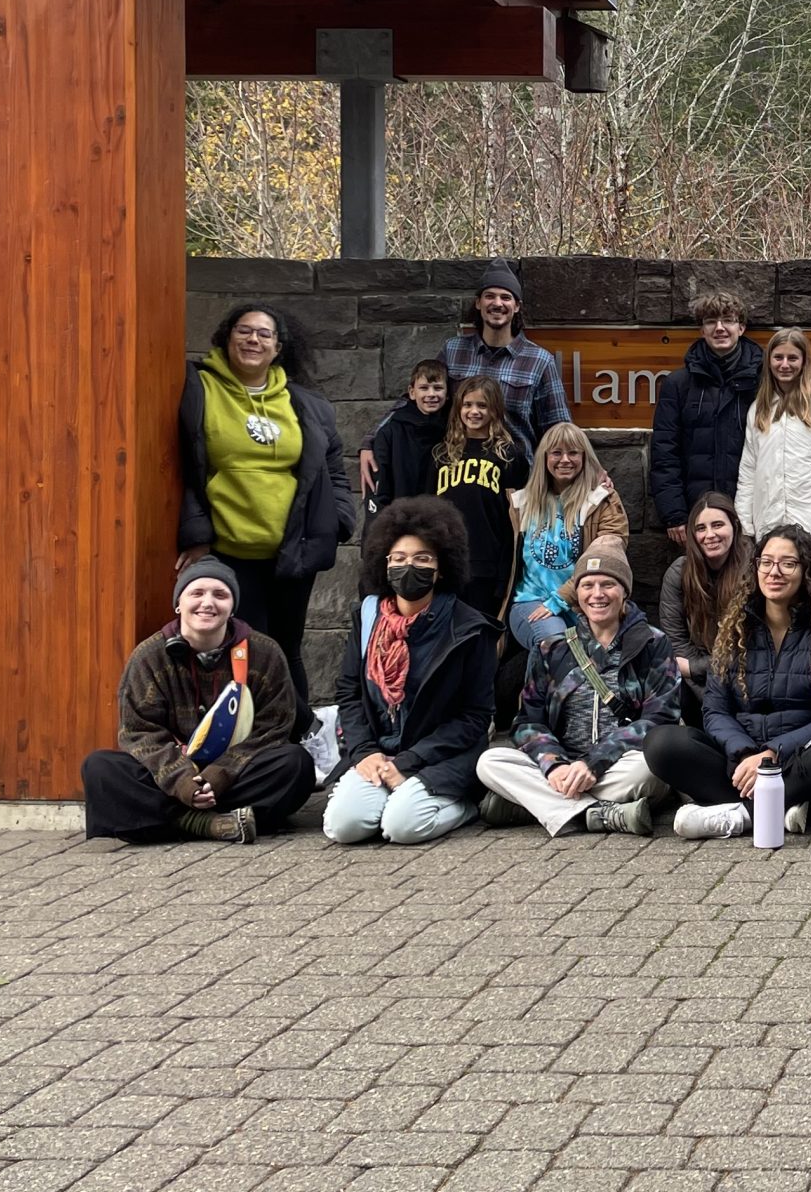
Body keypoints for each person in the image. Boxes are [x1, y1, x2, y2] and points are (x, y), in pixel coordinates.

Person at [176, 304, 351, 736]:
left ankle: (302, 741)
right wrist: (195, 533)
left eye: (264, 334)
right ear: (226, 336)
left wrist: (339, 521)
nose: (253, 340)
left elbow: (332, 466)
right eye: (244, 330)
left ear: (278, 348)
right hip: (229, 552)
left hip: (291, 550)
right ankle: (299, 730)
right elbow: (185, 464)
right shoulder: (197, 387)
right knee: (247, 649)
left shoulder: (305, 404)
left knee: (286, 648)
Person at [646, 524, 811, 839]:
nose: (774, 572)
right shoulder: (735, 628)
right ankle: (784, 807)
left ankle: (741, 815)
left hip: (799, 760)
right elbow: (715, 710)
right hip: (738, 762)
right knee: (661, 743)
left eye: (788, 563)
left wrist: (772, 753)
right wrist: (744, 753)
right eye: (766, 562)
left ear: (807, 571)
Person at [80, 556, 314, 844]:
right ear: (179, 604)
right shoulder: (148, 657)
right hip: (171, 773)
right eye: (196, 593)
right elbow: (139, 733)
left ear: (232, 606)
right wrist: (179, 780)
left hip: (236, 773)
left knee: (295, 764)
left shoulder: (265, 653)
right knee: (100, 768)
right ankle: (208, 823)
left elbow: (273, 728)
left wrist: (221, 773)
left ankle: (166, 821)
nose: (208, 603)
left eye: (220, 595)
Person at [325, 498, 499, 845]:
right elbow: (350, 693)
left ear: (442, 568)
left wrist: (409, 760)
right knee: (344, 827)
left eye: (422, 559)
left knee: (402, 827)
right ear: (384, 564)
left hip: (441, 756)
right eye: (399, 559)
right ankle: (394, 797)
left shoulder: (469, 630)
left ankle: (468, 806)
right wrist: (364, 752)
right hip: (378, 752)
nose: (409, 567)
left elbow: (475, 717)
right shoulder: (368, 618)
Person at [478, 547, 672, 838]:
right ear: (577, 594)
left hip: (619, 766)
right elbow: (528, 722)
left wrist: (594, 763)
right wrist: (553, 764)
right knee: (490, 762)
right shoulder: (551, 648)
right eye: (587, 585)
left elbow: (660, 718)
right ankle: (597, 814)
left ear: (624, 592)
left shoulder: (651, 643)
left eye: (608, 584)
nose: (597, 594)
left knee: (650, 767)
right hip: (563, 765)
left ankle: (538, 805)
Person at [356, 261, 568, 492]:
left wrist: (591, 471)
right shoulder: (454, 350)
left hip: (516, 481)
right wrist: (371, 441)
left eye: (506, 298)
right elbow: (416, 399)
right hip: (456, 477)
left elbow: (559, 427)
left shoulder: (539, 360)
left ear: (517, 306)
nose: (497, 303)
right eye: (490, 296)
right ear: (479, 303)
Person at [736, 326, 811, 566]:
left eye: (792, 357)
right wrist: (746, 529)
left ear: (804, 361)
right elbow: (748, 473)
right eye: (778, 357)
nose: (785, 364)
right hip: (769, 523)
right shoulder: (758, 410)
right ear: (769, 361)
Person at [648, 290, 762, 550]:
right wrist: (674, 513)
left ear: (741, 327)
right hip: (696, 514)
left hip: (752, 511)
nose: (720, 328)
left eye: (728, 320)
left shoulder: (764, 381)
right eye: (711, 322)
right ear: (702, 330)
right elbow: (665, 452)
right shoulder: (678, 384)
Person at [507, 423, 630, 647]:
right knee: (556, 645)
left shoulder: (601, 501)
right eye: (556, 453)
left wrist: (560, 600)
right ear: (544, 457)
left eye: (573, 452)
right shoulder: (521, 503)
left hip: (587, 602)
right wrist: (549, 605)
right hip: (532, 601)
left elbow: (605, 561)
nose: (565, 459)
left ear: (584, 457)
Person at [433, 376, 527, 624]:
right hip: (445, 563)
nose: (474, 411)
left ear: (495, 409)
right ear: (458, 408)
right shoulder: (441, 454)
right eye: (467, 405)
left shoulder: (510, 456)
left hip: (487, 567)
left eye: (482, 405)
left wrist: (505, 575)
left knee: (480, 640)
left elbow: (516, 523)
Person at [657, 494, 749, 690]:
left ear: (734, 526)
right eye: (701, 528)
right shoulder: (679, 573)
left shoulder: (754, 572)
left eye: (717, 525)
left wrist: (695, 668)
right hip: (697, 686)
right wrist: (708, 696)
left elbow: (754, 648)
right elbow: (677, 643)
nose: (709, 535)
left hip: (747, 679)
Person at [366, 359, 451, 517]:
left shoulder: (454, 434)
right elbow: (379, 490)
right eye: (424, 388)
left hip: (441, 527)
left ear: (447, 394)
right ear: (412, 392)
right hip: (399, 526)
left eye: (438, 388)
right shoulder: (390, 432)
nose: (431, 394)